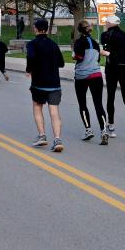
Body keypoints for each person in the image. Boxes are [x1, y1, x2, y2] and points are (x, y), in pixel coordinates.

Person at [25, 18, 65, 152]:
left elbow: (31, 57)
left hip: (39, 84)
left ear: (35, 29)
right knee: (54, 111)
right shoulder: (53, 44)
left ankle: (42, 135)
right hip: (54, 83)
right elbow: (61, 63)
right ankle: (57, 139)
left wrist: (29, 70)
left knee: (37, 107)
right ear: (47, 29)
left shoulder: (32, 44)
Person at [100, 15, 125, 143]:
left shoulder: (105, 35)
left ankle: (111, 127)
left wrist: (110, 53)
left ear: (111, 23)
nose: (105, 24)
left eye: (106, 22)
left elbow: (105, 51)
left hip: (112, 69)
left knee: (111, 96)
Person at [73, 20, 108, 144]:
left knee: (82, 104)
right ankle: (104, 130)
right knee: (98, 104)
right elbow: (98, 58)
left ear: (79, 30)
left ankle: (88, 129)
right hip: (96, 75)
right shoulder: (95, 42)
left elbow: (78, 57)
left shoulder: (79, 42)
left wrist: (75, 56)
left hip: (81, 76)